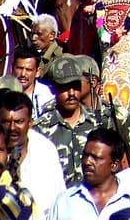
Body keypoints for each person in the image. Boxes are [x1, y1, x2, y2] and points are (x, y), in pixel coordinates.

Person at [0, 91, 64, 220]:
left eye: (19, 121)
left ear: (30, 122)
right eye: (6, 122)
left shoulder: (45, 150)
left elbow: (59, 201)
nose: (12, 128)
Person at [35, 56, 102, 187]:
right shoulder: (40, 129)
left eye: (75, 86)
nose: (71, 93)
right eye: (65, 87)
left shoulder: (98, 123)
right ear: (53, 89)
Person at [47, 128, 130, 220]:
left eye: (95, 158)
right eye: (85, 155)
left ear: (114, 165)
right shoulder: (64, 202)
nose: (87, 162)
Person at [9, 46, 53, 117]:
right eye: (19, 68)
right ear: (12, 68)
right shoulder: (4, 92)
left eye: (28, 70)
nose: (23, 74)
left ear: (37, 72)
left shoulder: (47, 96)